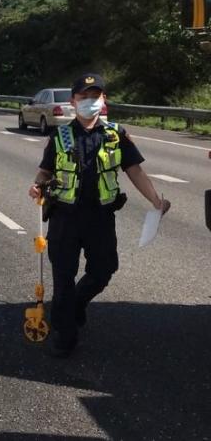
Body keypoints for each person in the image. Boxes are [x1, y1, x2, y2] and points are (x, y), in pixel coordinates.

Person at [28, 73, 170, 358]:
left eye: (96, 96)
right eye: (84, 97)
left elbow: (135, 171)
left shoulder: (116, 135)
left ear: (104, 100)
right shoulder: (61, 135)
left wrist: (156, 200)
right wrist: (36, 186)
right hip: (64, 218)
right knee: (64, 277)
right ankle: (65, 335)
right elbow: (45, 172)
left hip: (101, 218)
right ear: (73, 101)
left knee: (103, 272)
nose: (90, 102)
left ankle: (76, 305)